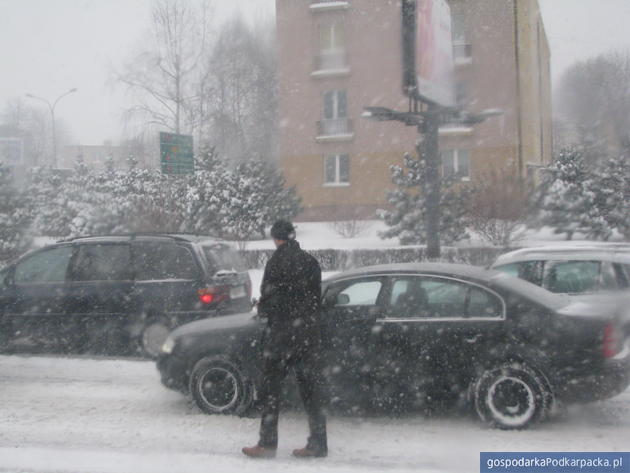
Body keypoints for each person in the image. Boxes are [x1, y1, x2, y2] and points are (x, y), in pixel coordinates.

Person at [242, 220, 328, 459]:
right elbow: (314, 299)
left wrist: (263, 307)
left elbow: (270, 302)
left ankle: (267, 444)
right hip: (308, 335)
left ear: (276, 238)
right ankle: (318, 443)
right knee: (311, 391)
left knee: (271, 391)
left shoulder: (276, 262)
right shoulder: (311, 263)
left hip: (281, 336)